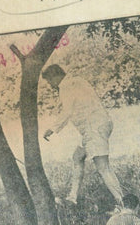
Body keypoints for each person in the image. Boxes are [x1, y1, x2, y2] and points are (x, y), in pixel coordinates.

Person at [42, 64, 124, 207]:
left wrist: (52, 129)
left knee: (103, 167)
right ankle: (72, 197)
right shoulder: (77, 80)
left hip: (94, 128)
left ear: (55, 76)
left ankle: (123, 204)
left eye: (49, 81)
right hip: (99, 124)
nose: (50, 85)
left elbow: (67, 111)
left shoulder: (65, 86)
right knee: (78, 156)